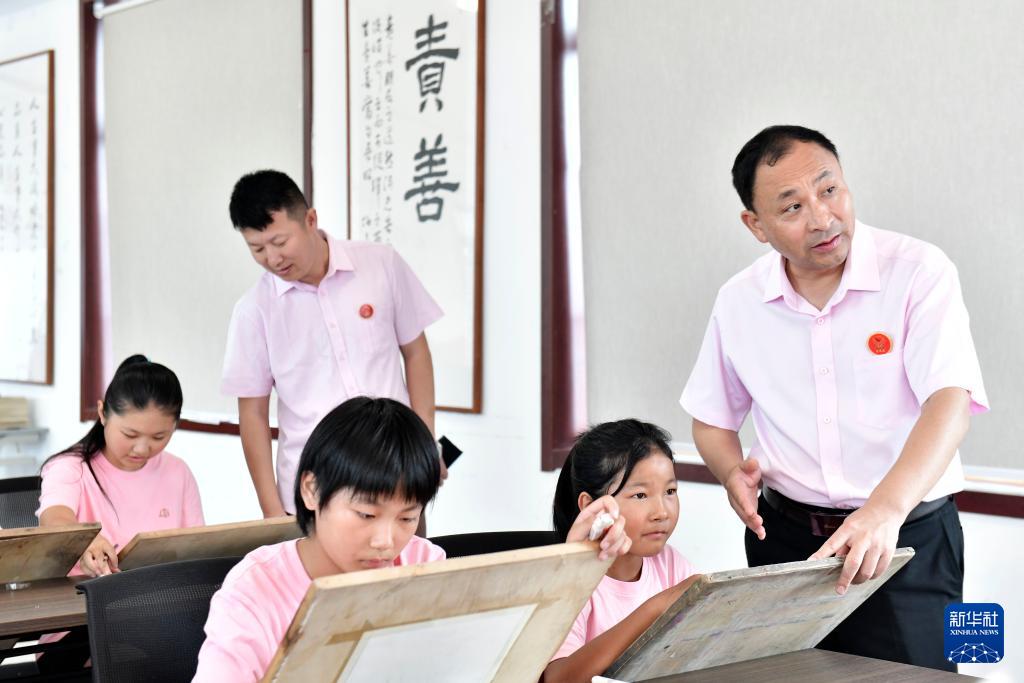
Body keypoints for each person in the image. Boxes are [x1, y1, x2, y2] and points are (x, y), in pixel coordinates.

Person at [680, 125, 988, 670]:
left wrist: (884, 509)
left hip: (907, 539)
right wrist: (730, 473)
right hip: (785, 542)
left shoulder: (918, 271)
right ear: (756, 225)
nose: (822, 218)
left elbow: (950, 402)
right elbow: (711, 418)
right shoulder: (739, 301)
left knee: (927, 677)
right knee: (786, 677)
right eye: (792, 207)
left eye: (829, 190)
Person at [193, 397, 630, 682]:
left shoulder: (423, 562)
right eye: (366, 514)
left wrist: (576, 559)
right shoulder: (256, 587)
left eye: (407, 517)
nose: (387, 541)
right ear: (311, 490)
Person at [221, 170, 445, 518]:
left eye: (280, 242)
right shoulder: (254, 311)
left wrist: (425, 443)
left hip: (396, 475)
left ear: (310, 220)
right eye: (257, 248)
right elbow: (252, 413)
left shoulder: (380, 264)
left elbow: (416, 353)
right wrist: (271, 510)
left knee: (408, 554)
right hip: (315, 491)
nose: (273, 259)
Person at [36, 354, 204, 670]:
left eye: (159, 437)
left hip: (160, 618)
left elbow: (196, 550)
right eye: (130, 435)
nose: (142, 449)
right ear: (103, 413)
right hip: (80, 628)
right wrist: (86, 540)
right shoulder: (70, 468)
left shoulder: (178, 472)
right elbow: (54, 519)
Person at [543, 420, 700, 683]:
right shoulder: (567, 580)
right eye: (640, 495)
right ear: (591, 506)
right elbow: (557, 679)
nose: (662, 512)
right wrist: (655, 609)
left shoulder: (671, 563)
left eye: (670, 491)